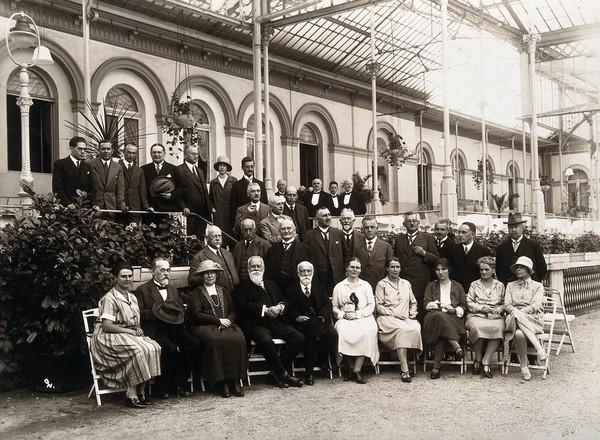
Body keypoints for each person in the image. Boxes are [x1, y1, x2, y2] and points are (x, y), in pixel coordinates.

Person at [90, 262, 161, 408]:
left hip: (126, 333)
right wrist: (131, 332)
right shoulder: (109, 298)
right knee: (137, 350)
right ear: (116, 278)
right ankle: (131, 394)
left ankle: (142, 391)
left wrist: (138, 331)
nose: (127, 279)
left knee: (154, 347)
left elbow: (135, 321)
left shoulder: (132, 297)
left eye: (130, 276)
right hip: (106, 337)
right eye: (123, 276)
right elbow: (108, 326)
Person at [233, 256, 304, 388]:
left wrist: (280, 307)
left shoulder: (272, 284)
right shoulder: (241, 287)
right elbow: (241, 305)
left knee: (298, 338)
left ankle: (274, 374)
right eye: (253, 266)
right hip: (255, 324)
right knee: (266, 341)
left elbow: (285, 301)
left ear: (263, 269)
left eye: (258, 266)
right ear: (248, 269)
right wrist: (264, 309)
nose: (256, 269)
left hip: (275, 321)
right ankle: (283, 374)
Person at [135, 257, 200, 399]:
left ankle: (180, 384)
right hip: (156, 330)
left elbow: (178, 309)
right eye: (162, 270)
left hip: (174, 328)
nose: (166, 273)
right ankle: (161, 387)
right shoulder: (143, 290)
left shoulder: (172, 289)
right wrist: (159, 312)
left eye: (168, 270)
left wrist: (180, 312)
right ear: (153, 272)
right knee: (169, 349)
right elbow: (139, 314)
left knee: (193, 345)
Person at [188, 260, 247, 398]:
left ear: (216, 274)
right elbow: (196, 314)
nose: (209, 276)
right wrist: (218, 321)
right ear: (201, 276)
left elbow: (233, 310)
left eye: (212, 273)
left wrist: (228, 321)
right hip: (205, 326)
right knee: (216, 340)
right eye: (206, 273)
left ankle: (235, 381)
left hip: (226, 324)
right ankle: (221, 383)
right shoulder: (196, 293)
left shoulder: (223, 291)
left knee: (238, 338)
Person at [284, 261, 338, 386]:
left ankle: (321, 358)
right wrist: (297, 317)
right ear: (298, 273)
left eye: (309, 271)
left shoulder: (319, 287)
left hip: (318, 321)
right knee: (309, 339)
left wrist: (323, 317)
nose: (306, 274)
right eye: (303, 271)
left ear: (312, 273)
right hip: (302, 323)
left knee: (332, 334)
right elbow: (288, 308)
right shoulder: (291, 290)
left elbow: (327, 305)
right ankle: (309, 373)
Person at [332, 258, 379, 384]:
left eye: (357, 267)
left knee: (368, 331)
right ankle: (350, 366)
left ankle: (357, 369)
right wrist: (343, 315)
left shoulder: (365, 285)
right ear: (346, 268)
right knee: (342, 331)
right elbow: (335, 307)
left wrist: (358, 314)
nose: (355, 270)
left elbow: (371, 305)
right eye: (352, 267)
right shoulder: (339, 286)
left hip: (363, 316)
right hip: (345, 317)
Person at [375, 258, 422, 383]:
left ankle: (407, 360)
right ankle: (404, 369)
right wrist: (394, 314)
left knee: (415, 328)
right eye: (392, 267)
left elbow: (414, 302)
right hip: (387, 318)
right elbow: (379, 306)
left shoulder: (406, 283)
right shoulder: (382, 284)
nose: (395, 270)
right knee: (402, 330)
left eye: (397, 267)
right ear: (387, 268)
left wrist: (412, 313)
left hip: (405, 317)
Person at [422, 258, 467, 380]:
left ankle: (436, 368)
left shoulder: (457, 286)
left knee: (441, 331)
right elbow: (426, 305)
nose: (440, 272)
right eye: (437, 269)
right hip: (433, 318)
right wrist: (441, 305)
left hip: (452, 321)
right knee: (439, 316)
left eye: (443, 269)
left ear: (449, 270)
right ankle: (456, 346)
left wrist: (453, 309)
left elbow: (463, 307)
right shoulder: (431, 286)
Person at [504, 256, 547, 381]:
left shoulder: (538, 286)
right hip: (512, 319)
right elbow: (507, 305)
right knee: (516, 318)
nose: (518, 269)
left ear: (529, 270)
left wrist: (520, 313)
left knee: (519, 334)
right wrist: (516, 313)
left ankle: (523, 365)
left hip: (533, 319)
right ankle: (538, 347)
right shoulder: (510, 285)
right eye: (517, 267)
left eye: (521, 267)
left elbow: (536, 305)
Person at [394, 211, 439, 325]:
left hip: (420, 282)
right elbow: (396, 259)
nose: (412, 223)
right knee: (404, 310)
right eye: (409, 221)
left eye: (414, 221)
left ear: (419, 223)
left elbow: (436, 259)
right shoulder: (399, 239)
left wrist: (424, 253)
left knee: (420, 312)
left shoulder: (427, 238)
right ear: (404, 224)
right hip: (403, 281)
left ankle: (422, 340)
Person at [465, 256, 505, 378]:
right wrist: (481, 308)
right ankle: (478, 358)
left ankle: (486, 361)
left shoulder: (500, 285)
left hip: (495, 316)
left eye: (486, 269)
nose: (483, 272)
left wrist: (500, 309)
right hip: (476, 314)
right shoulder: (474, 284)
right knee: (477, 327)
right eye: (481, 269)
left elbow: (505, 303)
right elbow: (469, 302)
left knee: (498, 328)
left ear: (493, 270)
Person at [495, 213, 547, 286]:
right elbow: (499, 271)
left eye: (516, 227)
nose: (513, 230)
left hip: (529, 287)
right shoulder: (501, 248)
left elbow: (542, 268)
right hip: (508, 288)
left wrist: (533, 283)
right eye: (510, 227)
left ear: (522, 228)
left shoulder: (533, 246)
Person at [140, 143, 183, 227]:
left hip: (167, 210)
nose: (156, 155)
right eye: (154, 152)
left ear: (164, 153)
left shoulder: (173, 169)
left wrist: (171, 195)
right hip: (150, 211)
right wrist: (146, 206)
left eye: (159, 152)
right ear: (150, 154)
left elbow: (182, 188)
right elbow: (142, 189)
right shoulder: (144, 169)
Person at [304, 207, 345, 295]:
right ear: (317, 219)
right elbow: (306, 256)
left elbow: (345, 254)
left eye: (329, 215)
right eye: (324, 216)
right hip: (319, 277)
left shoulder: (338, 233)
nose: (328, 218)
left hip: (336, 276)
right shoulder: (309, 235)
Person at [264, 219, 313, 293]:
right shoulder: (272, 250)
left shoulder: (306, 250)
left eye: (289, 228)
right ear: (279, 231)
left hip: (297, 291)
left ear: (294, 230)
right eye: (283, 229)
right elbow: (267, 273)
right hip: (277, 291)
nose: (286, 231)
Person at [188, 225, 239, 292]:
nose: (218, 238)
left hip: (235, 294)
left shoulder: (228, 253)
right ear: (207, 238)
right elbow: (191, 280)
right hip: (217, 296)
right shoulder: (199, 257)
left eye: (219, 236)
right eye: (214, 236)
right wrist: (208, 274)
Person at [448, 222, 492, 294]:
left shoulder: (483, 251)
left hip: (477, 291)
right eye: (459, 232)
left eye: (464, 232)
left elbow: (487, 273)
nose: (460, 235)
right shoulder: (453, 251)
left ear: (473, 234)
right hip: (457, 291)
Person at [177, 146, 211, 239]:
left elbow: (204, 190)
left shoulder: (200, 171)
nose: (195, 156)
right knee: (189, 239)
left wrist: (209, 207)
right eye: (192, 154)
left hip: (202, 213)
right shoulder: (179, 170)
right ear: (185, 155)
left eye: (197, 154)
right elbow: (177, 192)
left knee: (200, 240)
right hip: (190, 212)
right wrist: (183, 207)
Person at [354, 216, 394, 291]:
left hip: (381, 287)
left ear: (377, 228)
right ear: (362, 229)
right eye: (366, 227)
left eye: (372, 227)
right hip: (361, 288)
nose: (369, 230)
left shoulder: (386, 247)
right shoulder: (357, 247)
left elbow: (391, 269)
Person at [88, 140, 125, 218]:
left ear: (112, 150)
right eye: (103, 149)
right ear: (99, 150)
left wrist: (122, 205)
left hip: (111, 208)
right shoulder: (90, 164)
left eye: (108, 149)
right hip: (94, 208)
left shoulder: (118, 167)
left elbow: (120, 189)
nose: (106, 151)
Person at [118, 142, 152, 225]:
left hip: (135, 209)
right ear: (124, 152)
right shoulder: (117, 167)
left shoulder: (139, 171)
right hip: (119, 209)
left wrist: (146, 206)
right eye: (129, 152)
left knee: (133, 235)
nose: (131, 155)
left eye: (133, 153)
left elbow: (142, 191)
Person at [52, 136, 91, 206]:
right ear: (72, 149)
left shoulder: (87, 167)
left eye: (84, 149)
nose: (83, 152)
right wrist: (68, 204)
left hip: (83, 208)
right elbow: (57, 188)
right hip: (66, 208)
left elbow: (90, 188)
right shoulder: (61, 164)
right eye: (80, 149)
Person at [229, 156, 267, 224]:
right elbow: (233, 207)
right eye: (247, 167)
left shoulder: (261, 184)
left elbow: (265, 203)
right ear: (242, 168)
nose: (250, 169)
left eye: (252, 166)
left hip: (260, 222)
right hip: (244, 222)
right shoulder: (236, 185)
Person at [209, 156, 237, 248]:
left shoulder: (233, 181)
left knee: (232, 237)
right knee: (220, 238)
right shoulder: (213, 182)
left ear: (227, 168)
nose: (222, 167)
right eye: (220, 165)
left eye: (224, 165)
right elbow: (210, 199)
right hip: (219, 215)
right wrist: (213, 209)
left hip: (231, 214)